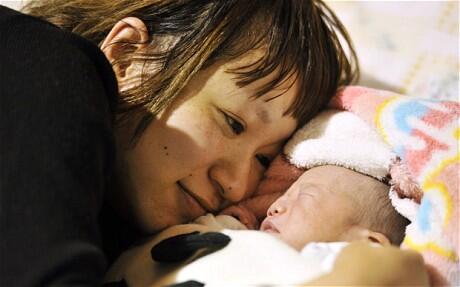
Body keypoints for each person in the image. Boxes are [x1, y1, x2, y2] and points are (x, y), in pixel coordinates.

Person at [0, 0, 425, 285]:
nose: (238, 185)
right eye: (233, 123)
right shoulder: (41, 62)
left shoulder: (131, 236)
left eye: (263, 158)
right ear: (129, 56)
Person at [103, 111, 427, 286]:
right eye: (286, 194)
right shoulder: (233, 232)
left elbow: (401, 270)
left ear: (368, 243)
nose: (274, 205)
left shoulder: (333, 262)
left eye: (306, 196)